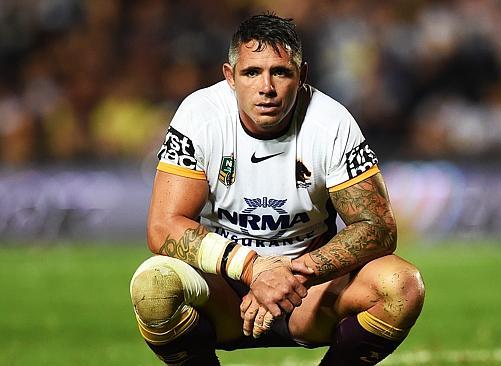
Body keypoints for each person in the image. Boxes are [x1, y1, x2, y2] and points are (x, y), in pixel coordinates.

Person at [129, 13, 425, 365]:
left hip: (307, 294)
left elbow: (378, 228)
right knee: (152, 286)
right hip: (224, 291)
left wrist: (294, 274)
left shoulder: (331, 123)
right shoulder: (199, 116)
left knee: (402, 285)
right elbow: (163, 227)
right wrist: (255, 268)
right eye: (252, 72)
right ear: (230, 77)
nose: (266, 87)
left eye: (280, 72)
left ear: (302, 77)